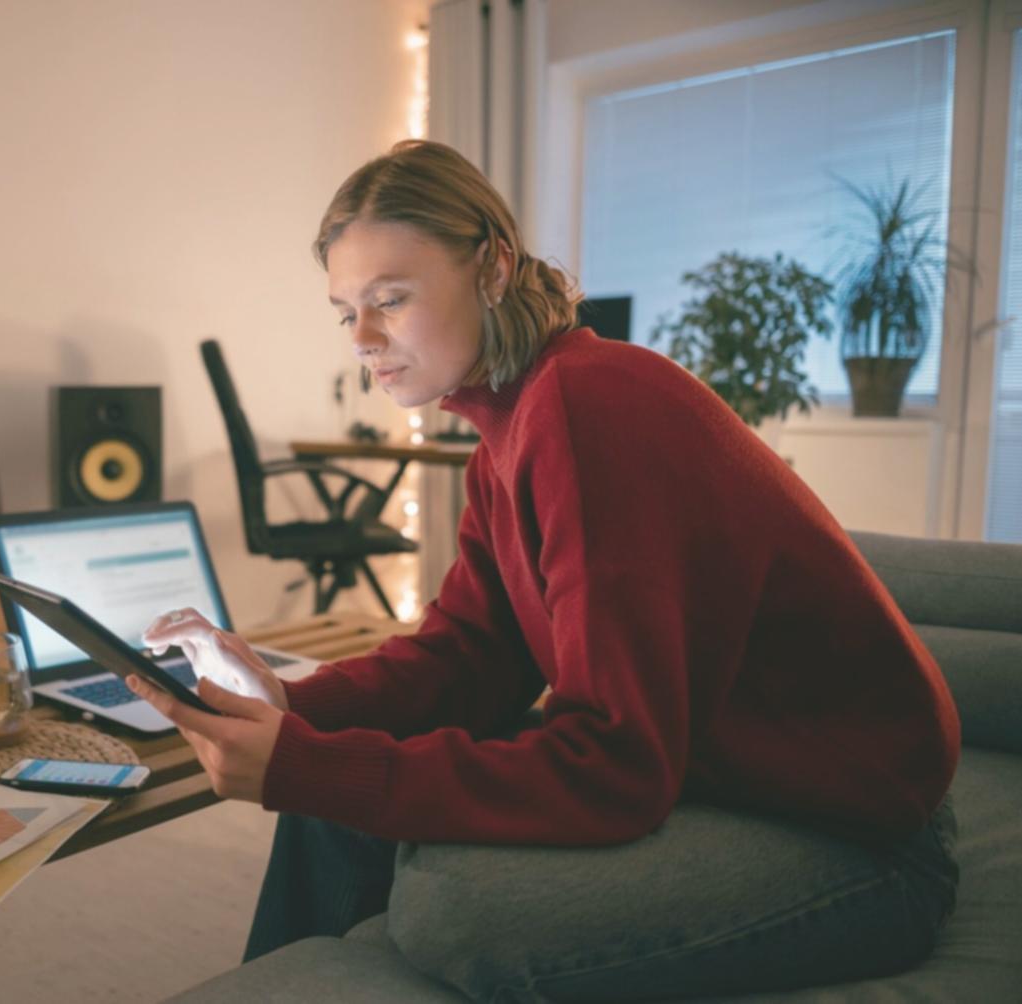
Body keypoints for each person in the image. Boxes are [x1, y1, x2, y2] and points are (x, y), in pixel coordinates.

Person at [127, 140, 960, 1000]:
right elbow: (469, 660)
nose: (363, 340)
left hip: (857, 839)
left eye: (390, 299)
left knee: (448, 910)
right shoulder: (506, 435)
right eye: (346, 312)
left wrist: (307, 764)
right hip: (717, 775)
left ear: (491, 265)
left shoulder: (589, 404)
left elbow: (613, 767)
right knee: (323, 791)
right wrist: (291, 706)